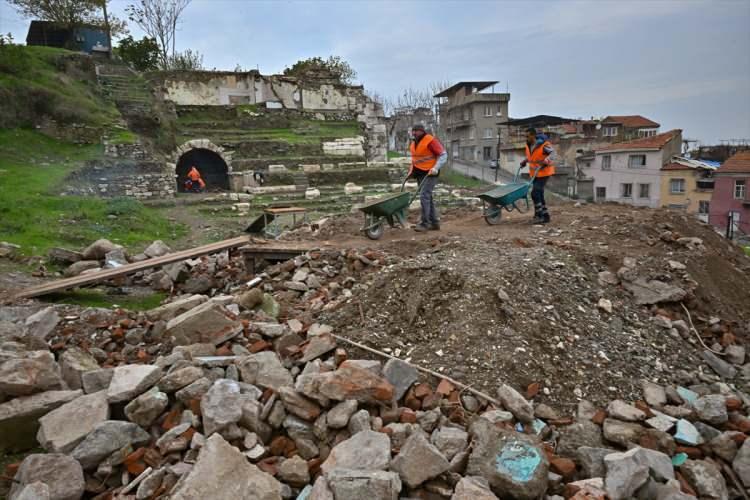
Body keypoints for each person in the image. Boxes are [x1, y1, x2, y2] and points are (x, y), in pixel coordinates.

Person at [408, 124, 448, 232]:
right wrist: (410, 173)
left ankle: (425, 223)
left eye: (416, 131)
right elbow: (415, 159)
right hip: (420, 173)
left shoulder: (430, 141)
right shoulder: (413, 143)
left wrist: (436, 167)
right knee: (428, 197)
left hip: (431, 173)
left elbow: (443, 155)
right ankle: (434, 223)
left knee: (424, 196)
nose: (414, 133)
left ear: (422, 131)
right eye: (413, 131)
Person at [520, 128, 555, 224]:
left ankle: (539, 216)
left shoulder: (543, 145)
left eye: (527, 136)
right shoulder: (528, 145)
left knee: (535, 193)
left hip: (544, 172)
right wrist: (525, 161)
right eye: (525, 136)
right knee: (539, 194)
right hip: (535, 174)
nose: (526, 138)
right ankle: (545, 216)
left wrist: (546, 161)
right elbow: (531, 157)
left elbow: (553, 153)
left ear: (533, 135)